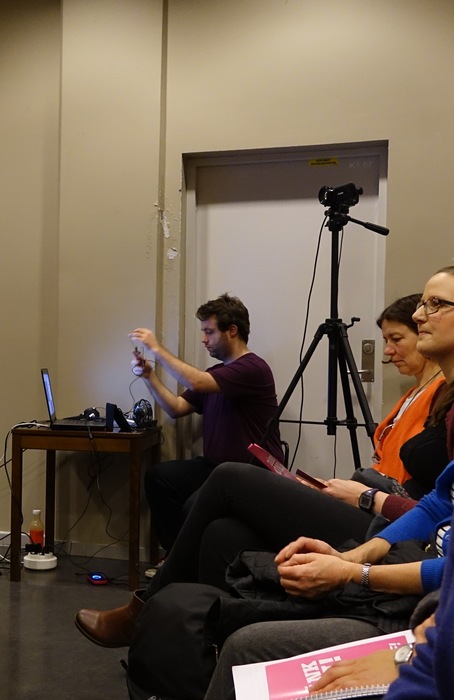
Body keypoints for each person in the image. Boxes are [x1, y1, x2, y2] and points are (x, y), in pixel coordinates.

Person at [129, 292, 284, 554]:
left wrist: (157, 348)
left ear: (232, 331)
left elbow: (196, 382)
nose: (204, 339)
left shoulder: (253, 368)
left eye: (209, 332)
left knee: (194, 505)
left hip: (251, 471)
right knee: (159, 478)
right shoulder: (216, 374)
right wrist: (148, 376)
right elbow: (176, 408)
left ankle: (188, 561)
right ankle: (179, 559)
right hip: (216, 467)